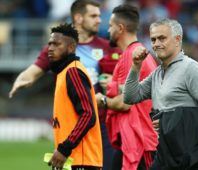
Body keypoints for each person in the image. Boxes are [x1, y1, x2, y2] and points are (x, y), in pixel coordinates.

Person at [9, 0, 121, 169]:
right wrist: (22, 79)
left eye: (98, 15)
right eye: (93, 16)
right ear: (78, 17)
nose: (99, 20)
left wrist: (113, 83)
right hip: (70, 124)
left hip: (101, 121)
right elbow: (34, 70)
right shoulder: (58, 49)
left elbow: (122, 80)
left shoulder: (106, 47)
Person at [123, 18, 198, 169]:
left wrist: (171, 123)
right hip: (166, 150)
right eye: (153, 39)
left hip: (193, 153)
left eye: (162, 38)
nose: (156, 44)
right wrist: (136, 66)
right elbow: (130, 97)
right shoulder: (157, 73)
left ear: (177, 39)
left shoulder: (191, 68)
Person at [95, 4, 158, 170]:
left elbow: (125, 102)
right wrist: (113, 84)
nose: (108, 30)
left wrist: (100, 100)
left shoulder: (132, 56)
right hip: (134, 140)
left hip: (140, 142)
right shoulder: (135, 53)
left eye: (110, 26)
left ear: (120, 28)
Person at [47, 23, 102, 170]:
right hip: (72, 160)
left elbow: (88, 114)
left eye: (56, 44)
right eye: (50, 44)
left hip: (82, 161)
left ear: (71, 47)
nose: (50, 48)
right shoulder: (64, 72)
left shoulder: (73, 72)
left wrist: (64, 149)